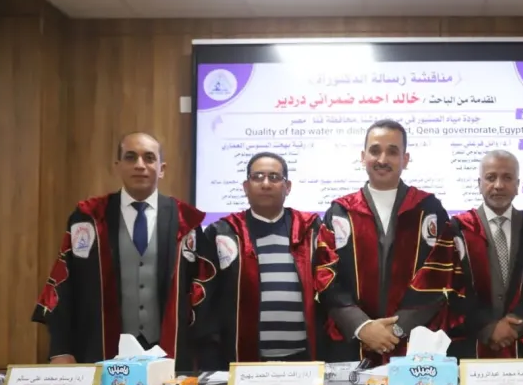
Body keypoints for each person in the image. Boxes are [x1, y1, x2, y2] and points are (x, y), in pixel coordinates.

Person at [33, 132, 215, 366]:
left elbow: (202, 295)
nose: (140, 165)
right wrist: (60, 350)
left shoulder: (185, 221)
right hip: (102, 349)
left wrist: (204, 353)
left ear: (162, 169)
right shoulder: (89, 218)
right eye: (130, 157)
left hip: (169, 355)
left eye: (149, 158)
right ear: (118, 166)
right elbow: (64, 285)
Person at [313, 119, 451, 365]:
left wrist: (396, 329)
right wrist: (362, 326)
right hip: (351, 343)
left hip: (415, 345)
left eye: (393, 152)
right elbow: (325, 276)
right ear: (363, 156)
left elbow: (440, 276)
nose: (382, 159)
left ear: (405, 159)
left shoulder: (428, 209)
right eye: (375, 151)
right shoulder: (341, 211)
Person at [200, 152, 323, 367]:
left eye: (274, 177)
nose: (266, 184)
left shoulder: (310, 229)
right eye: (258, 177)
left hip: (303, 360)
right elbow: (207, 301)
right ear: (246, 186)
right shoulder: (223, 232)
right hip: (243, 360)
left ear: (287, 187)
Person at [446, 150, 523, 359]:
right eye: (491, 177)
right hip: (470, 347)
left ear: (517, 185)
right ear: (479, 183)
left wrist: (514, 325)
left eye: (507, 178)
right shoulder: (456, 230)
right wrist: (488, 326)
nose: (498, 185)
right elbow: (451, 286)